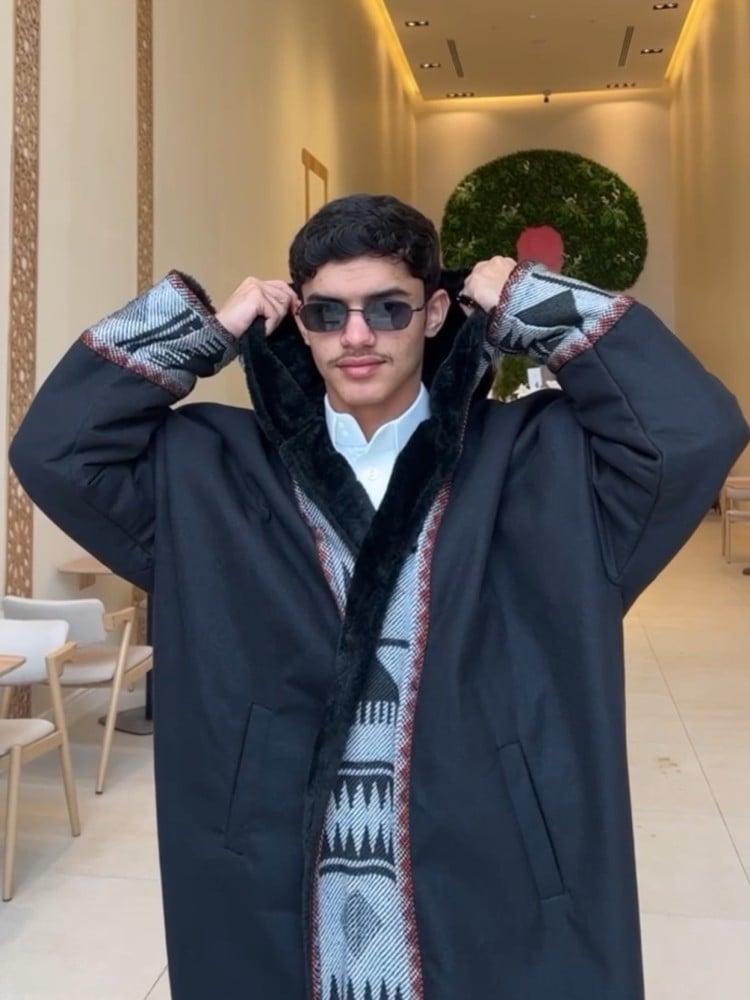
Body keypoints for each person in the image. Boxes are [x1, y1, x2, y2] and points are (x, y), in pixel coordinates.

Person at [9, 193, 749, 1000]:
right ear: (301, 323)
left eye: (388, 308)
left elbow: (691, 432)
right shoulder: (211, 474)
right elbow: (57, 451)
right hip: (274, 865)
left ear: (435, 312)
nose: (356, 336)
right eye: (327, 313)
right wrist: (206, 330)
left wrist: (530, 299)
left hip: (493, 872)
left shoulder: (541, 466)